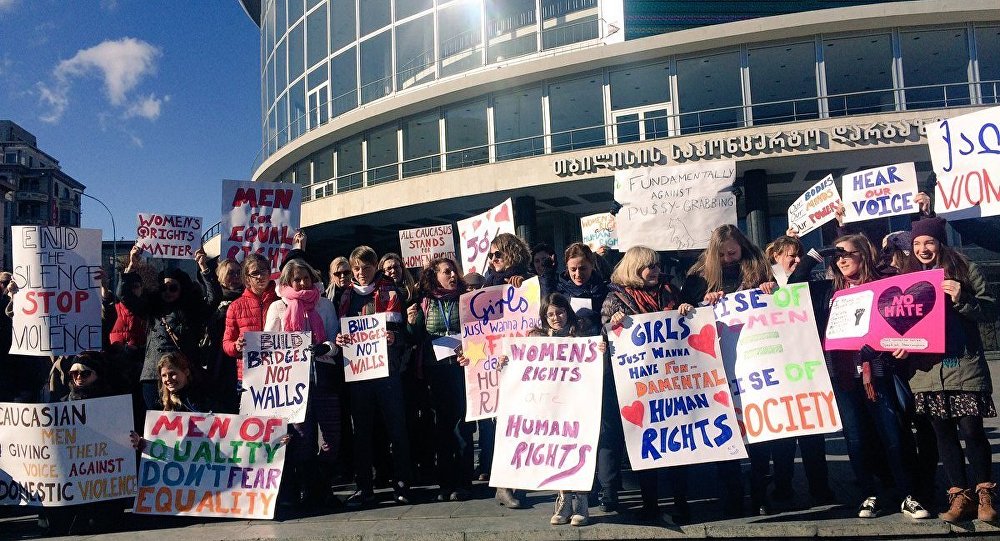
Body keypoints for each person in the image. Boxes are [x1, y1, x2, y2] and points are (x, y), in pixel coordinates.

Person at [818, 234, 929, 520]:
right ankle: (870, 493)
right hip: (844, 377)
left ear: (864, 255)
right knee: (856, 439)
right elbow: (793, 285)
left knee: (894, 434)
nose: (841, 259)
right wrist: (814, 254)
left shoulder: (885, 283)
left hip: (878, 373)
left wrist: (908, 343)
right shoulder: (828, 291)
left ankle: (908, 494)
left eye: (847, 253)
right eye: (836, 255)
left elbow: (911, 313)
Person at [901, 217, 997, 522]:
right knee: (942, 434)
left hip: (963, 364)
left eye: (928, 241)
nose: (922, 248)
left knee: (972, 430)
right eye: (916, 243)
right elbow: (898, 319)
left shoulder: (965, 269)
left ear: (940, 242)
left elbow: (991, 311)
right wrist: (896, 342)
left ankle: (986, 495)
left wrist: (961, 298)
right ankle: (959, 497)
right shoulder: (907, 276)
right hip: (926, 370)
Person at [682, 224, 771, 517]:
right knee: (728, 433)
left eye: (732, 253)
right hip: (719, 363)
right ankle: (733, 495)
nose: (728, 259)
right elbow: (686, 310)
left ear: (742, 246)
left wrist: (771, 290)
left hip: (756, 361)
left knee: (760, 431)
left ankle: (759, 493)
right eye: (721, 255)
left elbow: (778, 303)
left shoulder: (758, 265)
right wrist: (700, 302)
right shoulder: (699, 275)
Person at [601, 245, 692, 523]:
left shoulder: (670, 291)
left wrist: (686, 309)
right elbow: (603, 334)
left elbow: (684, 324)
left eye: (656, 265)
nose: (655, 271)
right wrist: (612, 324)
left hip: (672, 382)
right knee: (646, 444)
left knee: (678, 443)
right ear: (634, 268)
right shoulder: (615, 298)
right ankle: (650, 503)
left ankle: (681, 502)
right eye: (648, 266)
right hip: (639, 386)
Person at [760, 235, 836, 506]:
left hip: (807, 367)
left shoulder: (811, 281)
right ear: (775, 257)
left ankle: (820, 487)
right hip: (776, 371)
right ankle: (783, 487)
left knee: (813, 434)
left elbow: (799, 289)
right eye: (790, 255)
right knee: (783, 437)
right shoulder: (764, 285)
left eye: (800, 256)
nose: (796, 260)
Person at [336, 245, 412, 507]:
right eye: (356, 269)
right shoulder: (345, 296)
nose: (360, 273)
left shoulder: (391, 292)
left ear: (375, 266)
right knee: (362, 434)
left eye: (366, 268)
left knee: (397, 430)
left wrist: (395, 336)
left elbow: (406, 334)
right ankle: (364, 487)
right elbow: (340, 333)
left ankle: (402, 485)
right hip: (358, 376)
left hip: (388, 373)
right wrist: (340, 338)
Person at [264, 257, 343, 507]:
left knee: (332, 436)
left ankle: (324, 483)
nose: (301, 282)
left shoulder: (325, 305)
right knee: (302, 440)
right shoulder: (277, 308)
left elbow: (335, 341)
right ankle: (309, 490)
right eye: (296, 279)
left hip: (324, 378)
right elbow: (268, 345)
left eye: (305, 277)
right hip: (292, 383)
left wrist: (324, 348)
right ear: (287, 281)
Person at [119, 244, 221, 410]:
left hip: (183, 375)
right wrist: (132, 266)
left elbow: (214, 298)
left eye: (173, 287)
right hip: (153, 375)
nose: (168, 291)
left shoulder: (193, 311)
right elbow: (126, 298)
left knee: (185, 422)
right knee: (156, 423)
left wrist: (204, 267)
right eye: (163, 288)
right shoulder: (151, 309)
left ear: (182, 289)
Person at [532, 293, 604, 527]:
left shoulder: (582, 337)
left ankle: (581, 502)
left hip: (579, 405)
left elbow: (595, 370)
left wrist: (601, 351)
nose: (556, 317)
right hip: (550, 407)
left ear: (568, 312)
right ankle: (563, 500)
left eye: (560, 312)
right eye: (550, 314)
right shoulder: (538, 340)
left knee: (579, 450)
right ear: (544, 317)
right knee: (557, 452)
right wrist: (507, 361)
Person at [407, 257, 475, 502]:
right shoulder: (425, 302)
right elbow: (416, 338)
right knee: (442, 428)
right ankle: (445, 483)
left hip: (461, 369)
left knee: (462, 425)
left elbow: (478, 331)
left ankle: (464, 482)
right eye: (447, 272)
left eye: (454, 271)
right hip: (435, 371)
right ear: (434, 276)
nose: (453, 276)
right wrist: (411, 323)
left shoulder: (466, 299)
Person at [478, 232, 532, 509]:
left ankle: (516, 481)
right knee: (503, 427)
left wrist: (522, 288)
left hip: (524, 363)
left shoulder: (528, 281)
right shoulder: (488, 284)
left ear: (512, 253)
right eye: (491, 255)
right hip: (497, 364)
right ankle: (503, 485)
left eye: (498, 254)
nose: (493, 259)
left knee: (524, 425)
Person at [222, 253, 278, 386]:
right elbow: (226, 343)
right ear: (247, 279)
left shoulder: (281, 301)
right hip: (248, 375)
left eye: (264, 271)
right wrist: (236, 346)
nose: (260, 276)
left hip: (277, 374)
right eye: (255, 273)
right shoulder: (235, 307)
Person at [539, 242, 608, 332]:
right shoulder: (558, 289)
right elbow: (545, 308)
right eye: (573, 269)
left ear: (592, 265)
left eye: (583, 268)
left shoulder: (604, 289)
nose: (578, 274)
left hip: (596, 343)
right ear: (567, 268)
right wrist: (547, 274)